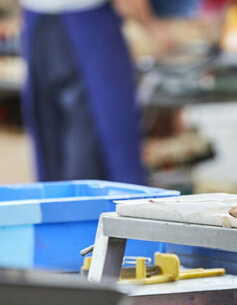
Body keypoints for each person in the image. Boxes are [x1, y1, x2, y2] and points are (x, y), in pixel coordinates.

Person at [18, 0, 159, 184]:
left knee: (57, 136)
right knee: (97, 130)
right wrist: (151, 28)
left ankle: (67, 206)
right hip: (83, 21)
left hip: (41, 22)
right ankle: (87, 207)